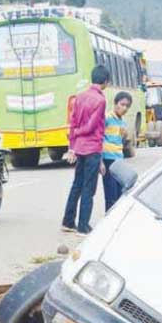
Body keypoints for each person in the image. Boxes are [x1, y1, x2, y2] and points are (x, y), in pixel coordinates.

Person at [61, 65, 110, 235]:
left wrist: (72, 145)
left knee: (77, 185)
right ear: (105, 82)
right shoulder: (101, 101)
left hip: (80, 148)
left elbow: (73, 123)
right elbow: (92, 126)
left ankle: (68, 221)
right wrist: (81, 132)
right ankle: (83, 225)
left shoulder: (79, 97)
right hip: (92, 149)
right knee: (89, 188)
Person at [101, 91, 132, 211]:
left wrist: (124, 137)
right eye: (122, 104)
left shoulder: (122, 122)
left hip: (119, 160)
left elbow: (121, 142)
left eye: (127, 106)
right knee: (110, 195)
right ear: (115, 103)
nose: (124, 108)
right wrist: (100, 162)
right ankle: (108, 221)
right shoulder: (107, 118)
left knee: (120, 194)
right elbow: (98, 138)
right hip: (108, 159)